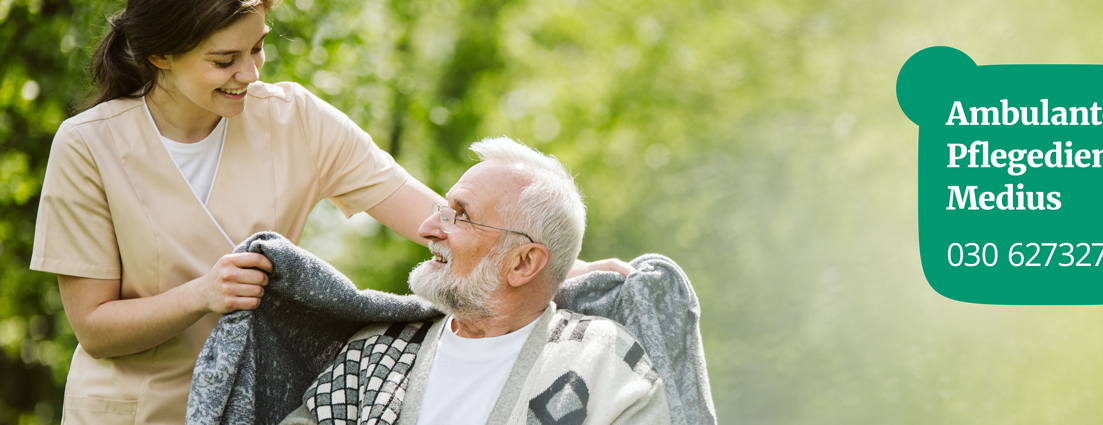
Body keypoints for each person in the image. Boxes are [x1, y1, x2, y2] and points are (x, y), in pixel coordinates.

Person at [28, 1, 628, 424]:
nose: (250, 73)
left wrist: (559, 266)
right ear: (160, 55)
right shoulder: (88, 146)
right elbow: (95, 329)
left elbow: (439, 221)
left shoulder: (297, 121)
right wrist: (203, 294)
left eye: (258, 49)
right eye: (224, 60)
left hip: (260, 405)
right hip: (131, 412)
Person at [280, 137, 670, 425]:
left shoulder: (608, 364)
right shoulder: (374, 351)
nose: (427, 227)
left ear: (522, 263)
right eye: (441, 209)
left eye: (460, 215)